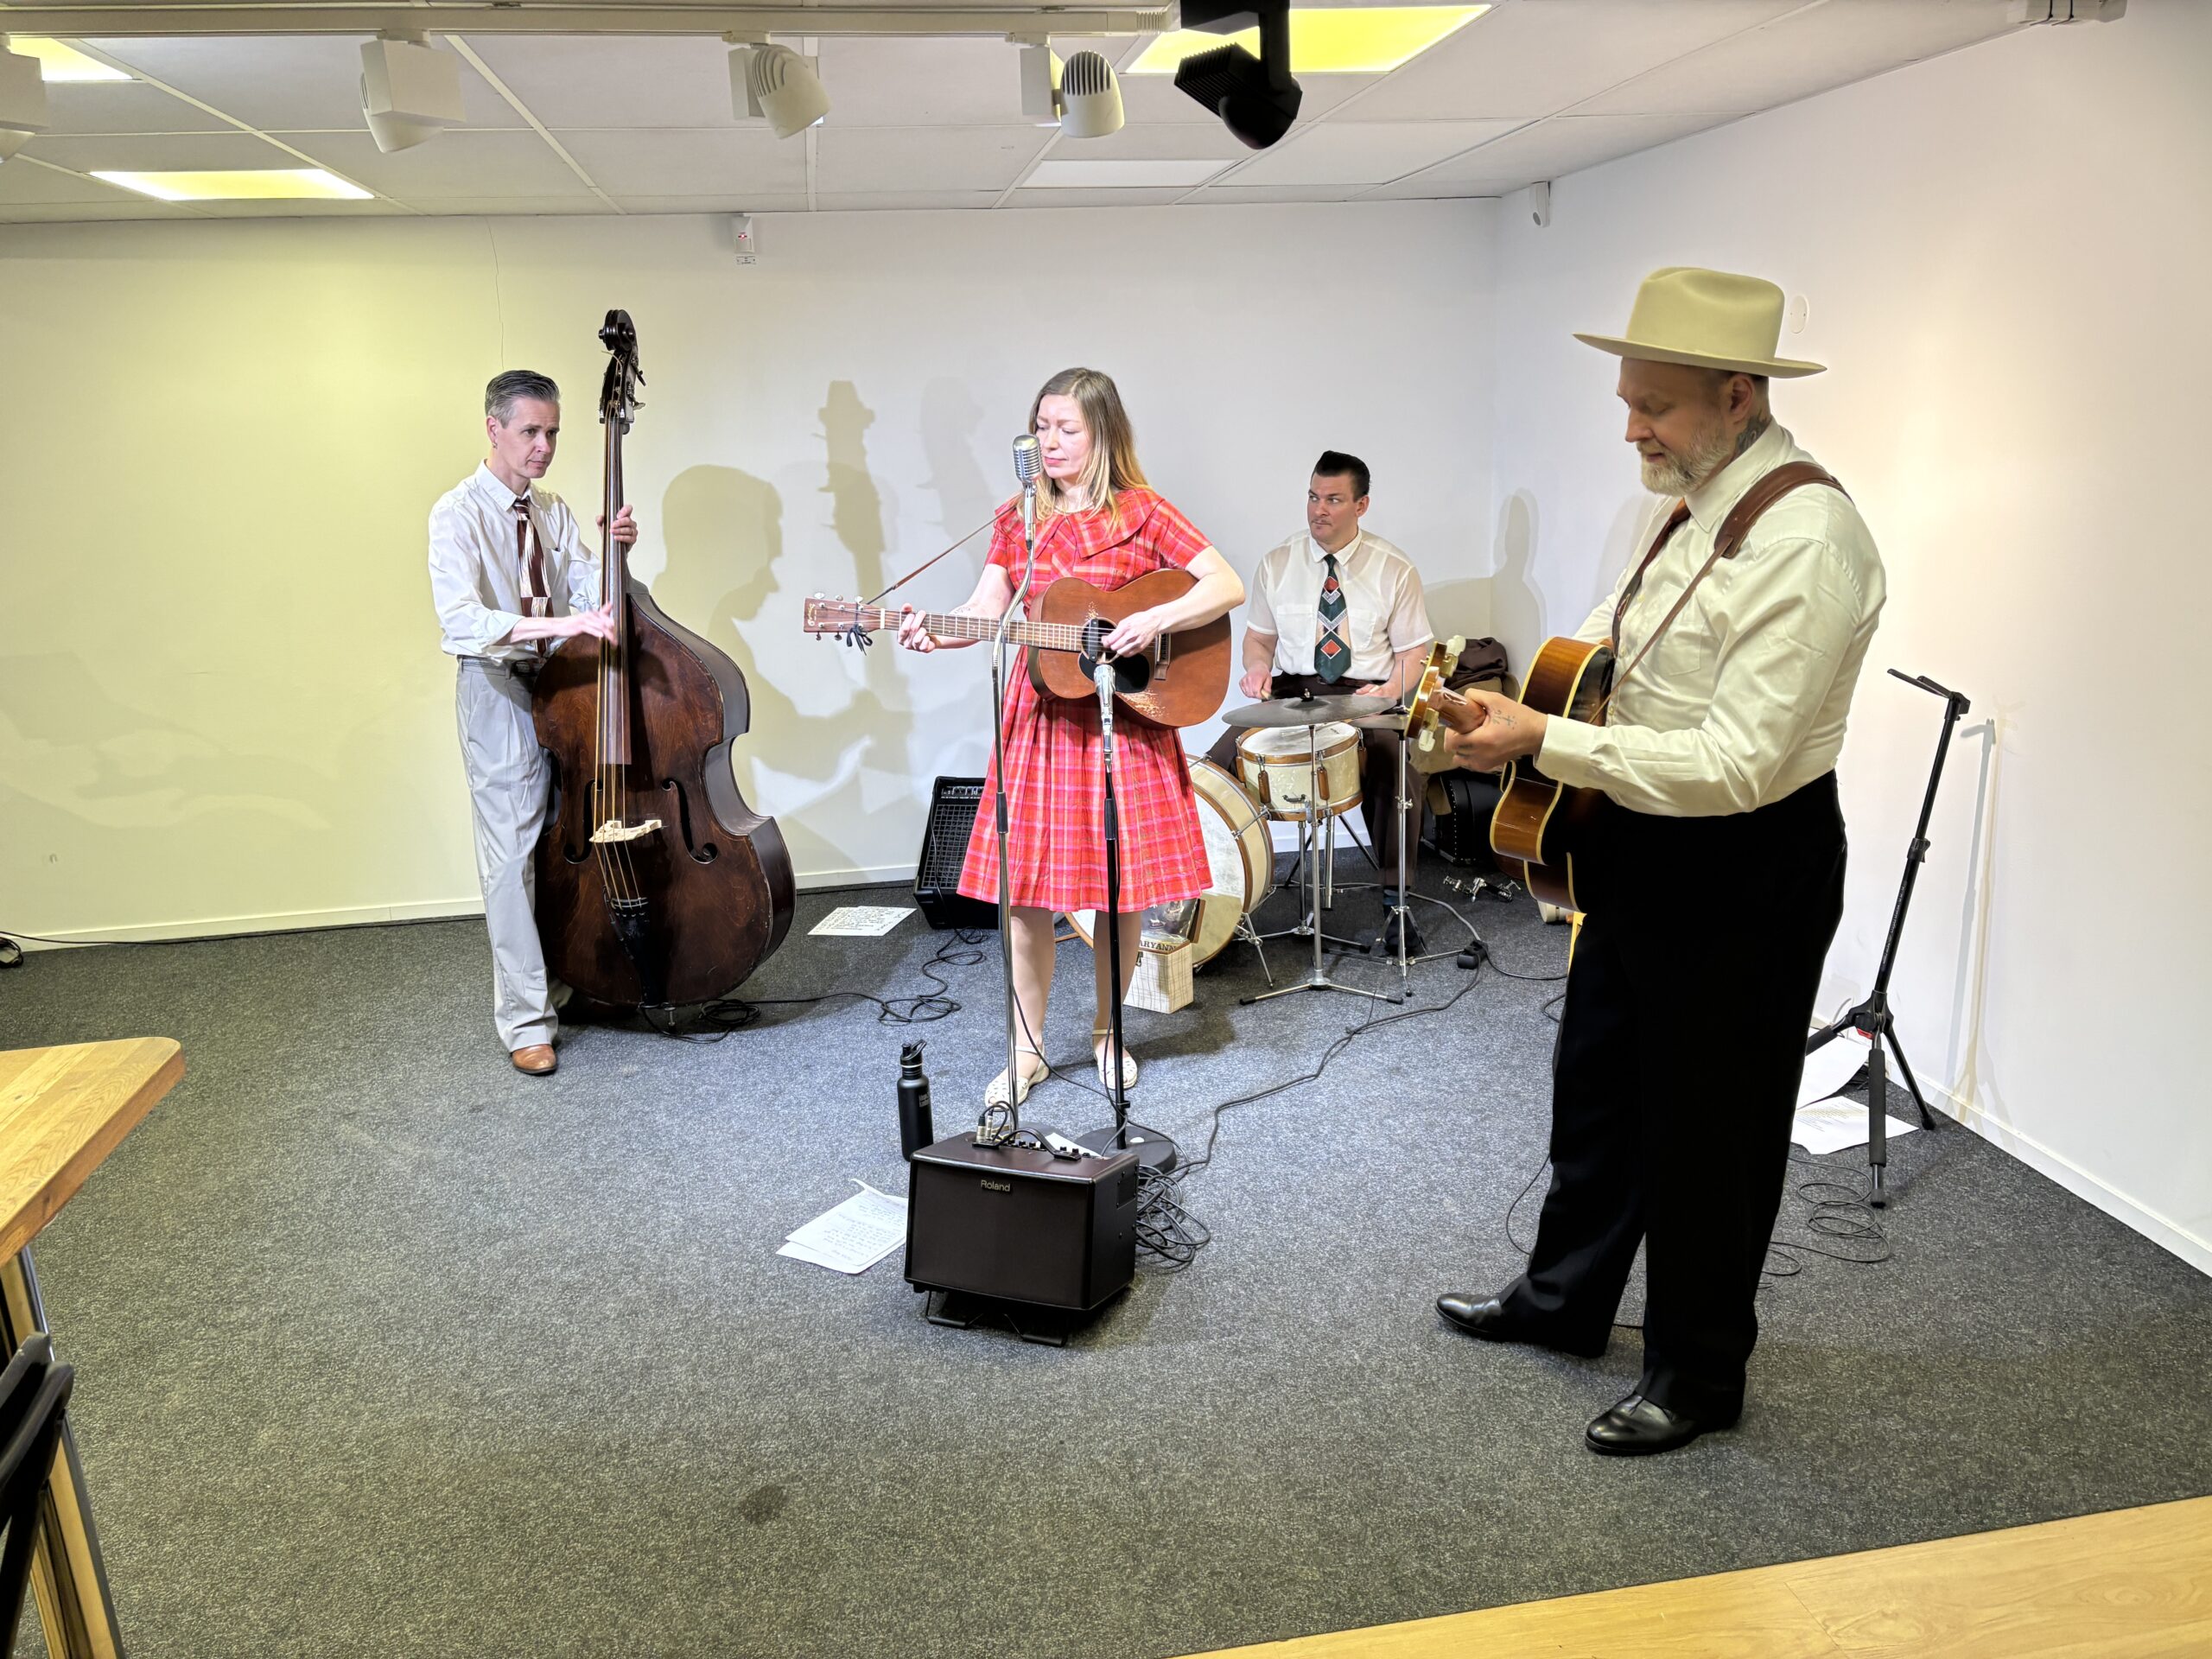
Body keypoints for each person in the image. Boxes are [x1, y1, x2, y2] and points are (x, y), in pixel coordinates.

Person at [1433, 267, 1886, 1455]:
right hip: (1640, 837)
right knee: (1600, 1089)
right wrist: (1526, 705)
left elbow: (1738, 763)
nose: (1631, 428)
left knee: (1711, 1133)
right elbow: (1625, 636)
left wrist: (1545, 741)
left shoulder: (1808, 539)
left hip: (1748, 862)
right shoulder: (1689, 496)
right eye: (1629, 401)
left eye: (1656, 407)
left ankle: (1697, 1371)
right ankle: (1561, 1302)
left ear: (1739, 394)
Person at [898, 368, 1244, 1104]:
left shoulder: (1143, 512)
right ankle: (1025, 1049)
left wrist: (1153, 620)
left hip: (1123, 724)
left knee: (1120, 891)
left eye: (1067, 429)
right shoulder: (1016, 518)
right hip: (1039, 722)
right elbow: (987, 609)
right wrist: (935, 631)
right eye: (1041, 427)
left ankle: (1109, 1033)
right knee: (1024, 893)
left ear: (1102, 433)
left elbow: (1225, 584)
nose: (1049, 442)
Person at [428, 369, 636, 1075]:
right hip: (498, 685)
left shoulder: (552, 510)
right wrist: (558, 625)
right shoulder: (456, 514)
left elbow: (589, 594)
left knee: (564, 840)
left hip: (561, 686)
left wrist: (615, 551)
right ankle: (525, 1021)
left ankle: (572, 979)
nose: (544, 446)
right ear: (494, 429)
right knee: (513, 854)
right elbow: (461, 620)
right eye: (530, 432)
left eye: (552, 432)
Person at [1206, 452, 1434, 893]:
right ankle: (1225, 896)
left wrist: (1388, 691)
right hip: (1294, 695)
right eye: (1313, 497)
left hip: (1365, 696)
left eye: (1333, 499)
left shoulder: (1395, 568)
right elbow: (1259, 640)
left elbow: (1414, 652)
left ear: (1361, 505)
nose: (1318, 510)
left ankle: (1396, 898)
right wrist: (1257, 668)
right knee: (1216, 769)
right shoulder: (1277, 563)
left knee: (1397, 774)